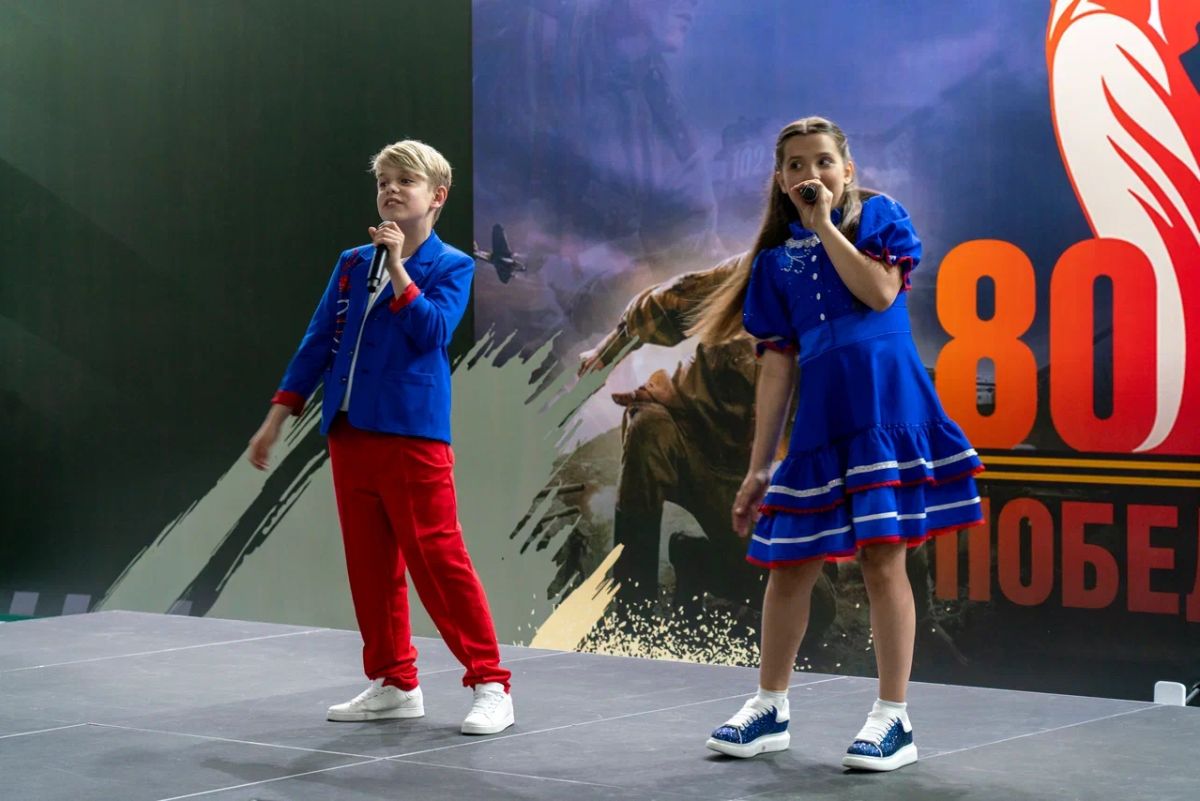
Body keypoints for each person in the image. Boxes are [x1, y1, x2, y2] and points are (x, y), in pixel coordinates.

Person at [694, 117, 983, 771]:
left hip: (886, 407)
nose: (811, 174)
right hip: (823, 422)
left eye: (823, 161)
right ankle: (769, 706)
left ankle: (892, 718)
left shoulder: (877, 216)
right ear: (780, 180)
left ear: (846, 170)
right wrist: (758, 467)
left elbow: (880, 293)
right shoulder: (773, 263)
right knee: (791, 565)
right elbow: (777, 366)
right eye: (796, 165)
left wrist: (825, 226)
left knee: (883, 559)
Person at [246, 140, 514, 736]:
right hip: (349, 432)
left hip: (412, 433)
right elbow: (318, 341)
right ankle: (395, 682)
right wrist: (278, 416)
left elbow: (432, 332)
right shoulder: (350, 262)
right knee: (370, 567)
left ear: (437, 196)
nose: (390, 190)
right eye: (383, 182)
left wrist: (396, 267)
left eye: (404, 181)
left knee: (439, 560)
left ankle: (491, 683)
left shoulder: (452, 265)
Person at [577, 256, 839, 639]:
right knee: (648, 429)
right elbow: (667, 303)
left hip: (741, 479)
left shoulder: (840, 334)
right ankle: (633, 617)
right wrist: (606, 352)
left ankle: (695, 560)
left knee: (816, 607)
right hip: (682, 432)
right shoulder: (755, 273)